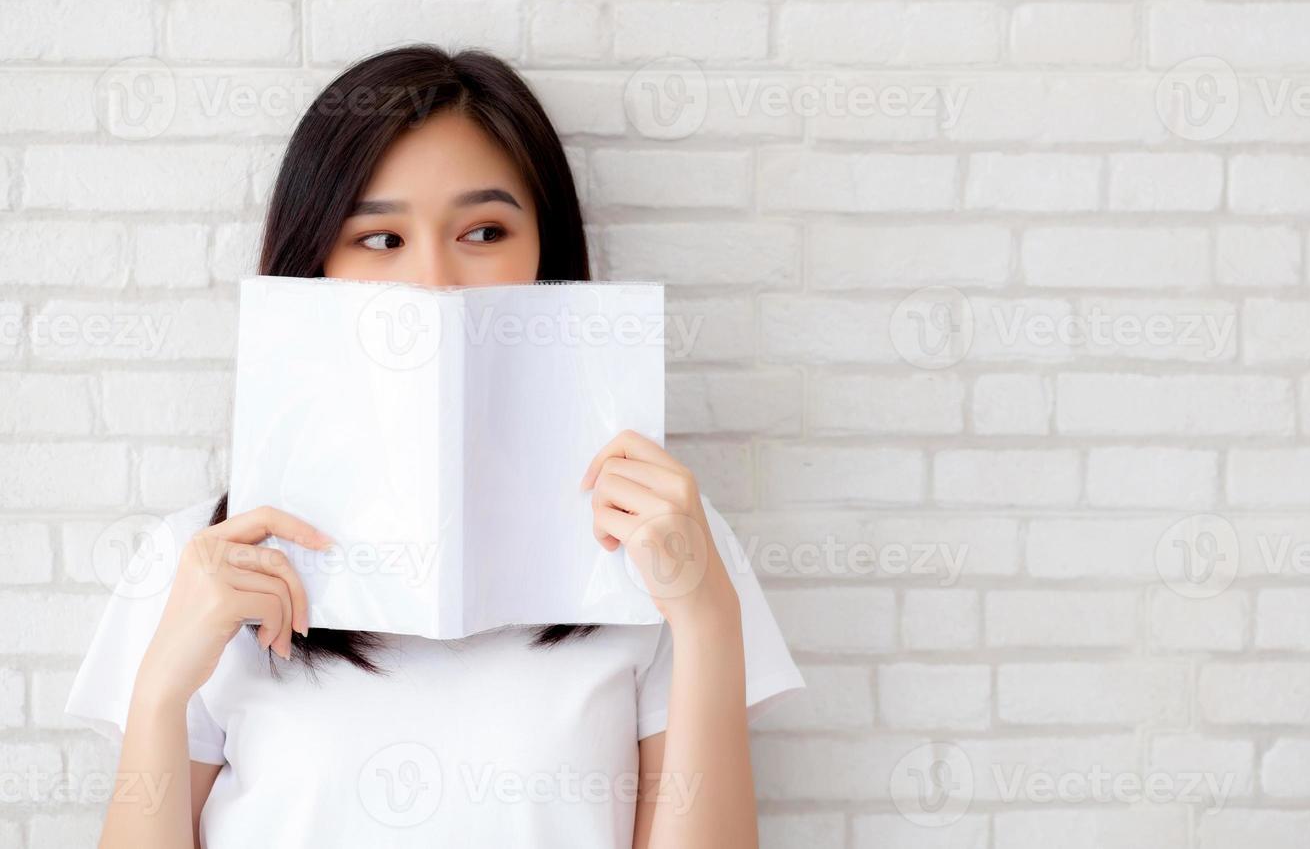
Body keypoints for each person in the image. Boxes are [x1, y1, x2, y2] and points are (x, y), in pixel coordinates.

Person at [64, 45, 804, 848]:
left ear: (545, 258)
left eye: (484, 231)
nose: (434, 284)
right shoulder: (203, 564)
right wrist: (160, 690)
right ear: (314, 266)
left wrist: (705, 616)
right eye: (380, 239)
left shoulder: (659, 548)